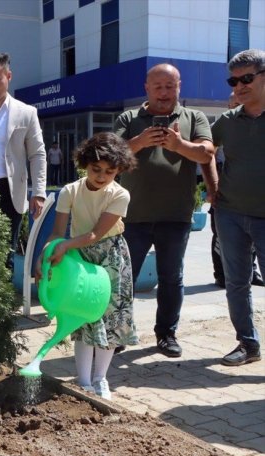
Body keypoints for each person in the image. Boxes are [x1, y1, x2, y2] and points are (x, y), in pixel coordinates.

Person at [114, 63, 215, 358]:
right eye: (157, 86)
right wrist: (141, 141)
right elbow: (110, 155)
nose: (164, 92)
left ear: (179, 86)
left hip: (176, 216)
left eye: (170, 86)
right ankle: (119, 333)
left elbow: (207, 153)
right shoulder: (129, 117)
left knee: (172, 277)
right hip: (132, 216)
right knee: (124, 277)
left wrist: (179, 144)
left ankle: (166, 334)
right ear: (146, 88)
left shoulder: (193, 117)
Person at [36, 132, 138, 400]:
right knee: (79, 315)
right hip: (80, 258)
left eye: (110, 171)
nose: (102, 176)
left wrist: (65, 246)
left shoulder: (120, 195)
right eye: (96, 169)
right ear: (85, 164)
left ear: (119, 170)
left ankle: (101, 378)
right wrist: (44, 258)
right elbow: (57, 233)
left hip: (111, 257)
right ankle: (83, 382)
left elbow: (96, 234)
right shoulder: (69, 191)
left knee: (110, 317)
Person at [211, 49, 265, 366]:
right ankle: (248, 343)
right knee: (236, 283)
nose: (239, 86)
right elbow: (204, 149)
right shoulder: (227, 121)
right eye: (234, 80)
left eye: (247, 78)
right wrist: (212, 185)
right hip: (230, 214)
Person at [0, 51, 47, 266]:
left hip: (11, 191)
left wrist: (39, 192)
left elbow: (37, 154)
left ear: (9, 76)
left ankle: (2, 300)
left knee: (6, 252)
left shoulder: (26, 112)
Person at [210, 92, 263, 289]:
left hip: (256, 205)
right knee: (221, 242)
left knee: (252, 243)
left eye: (239, 102)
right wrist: (212, 183)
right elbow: (208, 153)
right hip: (227, 199)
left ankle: (252, 271)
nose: (237, 105)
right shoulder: (226, 124)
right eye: (233, 103)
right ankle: (221, 274)